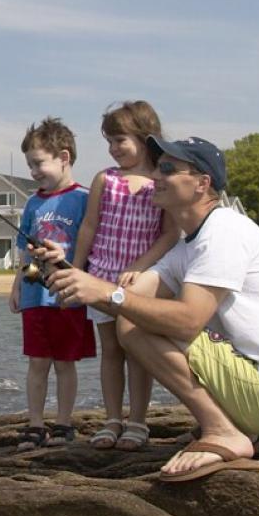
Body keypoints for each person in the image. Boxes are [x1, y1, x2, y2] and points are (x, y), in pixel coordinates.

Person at [32, 135, 259, 482]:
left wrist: (106, 294)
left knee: (135, 328)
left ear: (201, 184)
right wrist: (72, 273)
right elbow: (133, 294)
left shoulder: (223, 232)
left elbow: (186, 322)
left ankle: (222, 431)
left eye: (167, 168)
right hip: (250, 394)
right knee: (133, 320)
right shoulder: (186, 245)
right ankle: (233, 427)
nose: (155, 177)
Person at [71, 101, 178, 451]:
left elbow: (168, 234)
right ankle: (112, 418)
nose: (114, 149)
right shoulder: (106, 179)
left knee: (137, 349)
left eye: (120, 140)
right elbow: (89, 226)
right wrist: (77, 268)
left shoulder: (161, 180)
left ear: (145, 138)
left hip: (141, 282)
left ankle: (138, 421)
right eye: (110, 142)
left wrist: (141, 266)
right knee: (111, 350)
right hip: (101, 276)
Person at [9, 117, 94, 451]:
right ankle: (34, 423)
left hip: (69, 294)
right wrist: (17, 285)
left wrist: (66, 253)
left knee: (64, 363)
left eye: (39, 163)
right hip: (35, 293)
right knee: (37, 362)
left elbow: (91, 246)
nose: (34, 171)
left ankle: (63, 423)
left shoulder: (85, 198)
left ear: (64, 157)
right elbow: (24, 252)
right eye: (30, 165)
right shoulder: (33, 203)